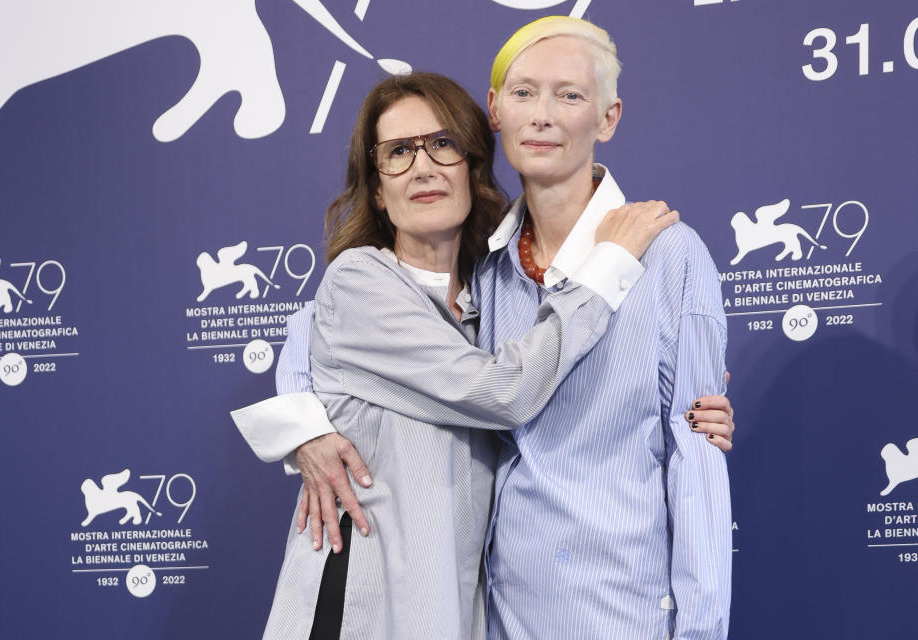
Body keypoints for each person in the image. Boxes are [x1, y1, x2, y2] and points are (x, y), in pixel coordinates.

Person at [243, 16, 736, 640]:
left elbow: (696, 461)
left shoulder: (665, 255)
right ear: (498, 113)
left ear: (607, 119)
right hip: (473, 614)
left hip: (617, 613)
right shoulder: (489, 272)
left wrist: (700, 630)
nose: (544, 115)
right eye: (525, 93)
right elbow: (320, 328)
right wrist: (303, 426)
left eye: (571, 95)